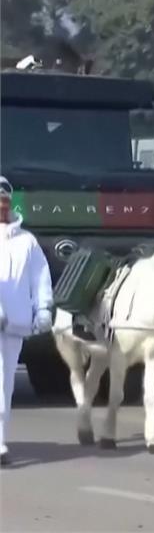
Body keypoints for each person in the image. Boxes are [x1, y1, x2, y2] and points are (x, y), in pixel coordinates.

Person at [0, 175, 54, 467]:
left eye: (4, 202)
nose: (1, 207)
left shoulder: (27, 241)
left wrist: (43, 309)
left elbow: (40, 277)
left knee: (5, 384)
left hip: (14, 325)